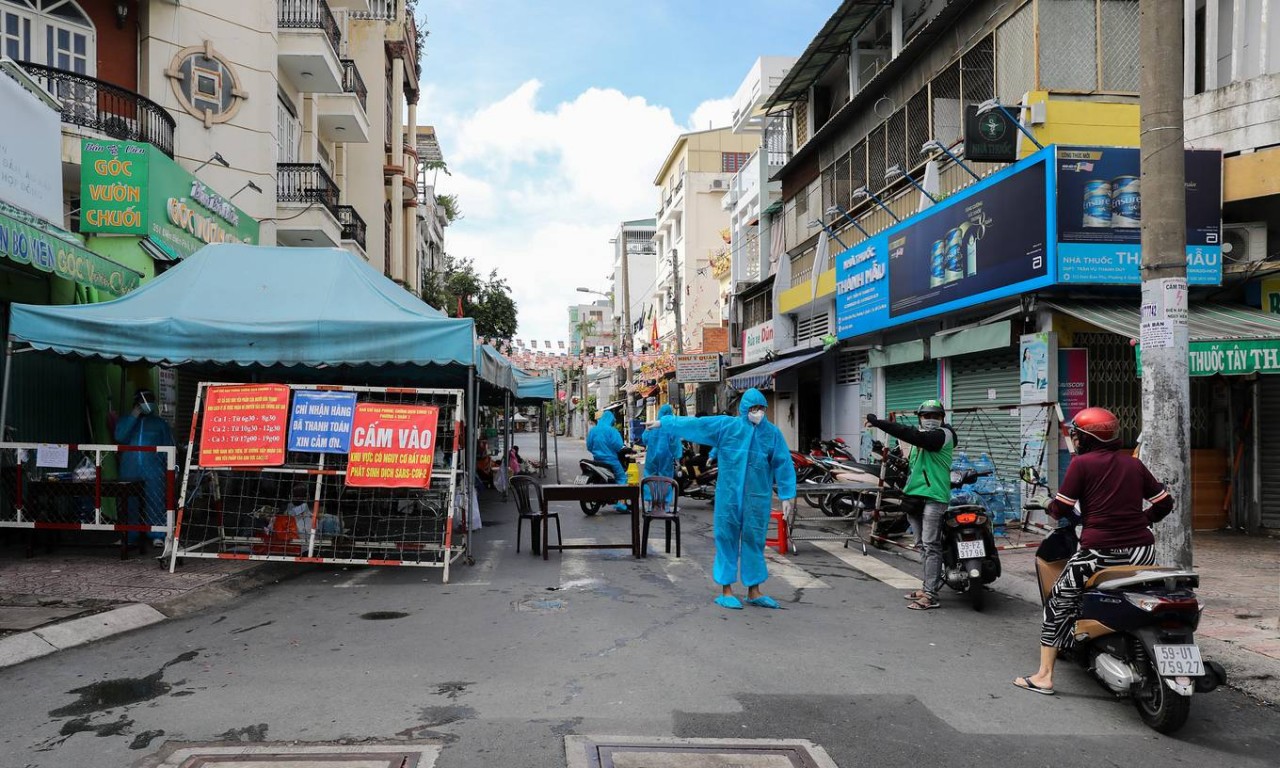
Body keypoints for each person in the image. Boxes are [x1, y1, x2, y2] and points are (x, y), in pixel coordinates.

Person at [1014, 407, 1172, 695]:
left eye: (1076, 434)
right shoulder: (1133, 465)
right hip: (1141, 552)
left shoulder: (1082, 464)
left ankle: (1044, 676)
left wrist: (1045, 502)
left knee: (1057, 601)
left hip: (1100, 553)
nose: (1074, 439)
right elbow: (1164, 503)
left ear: (1086, 437)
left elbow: (1060, 508)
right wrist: (1142, 520)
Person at [651, 388, 796, 610]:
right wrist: (667, 423)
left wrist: (787, 495)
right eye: (753, 409)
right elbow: (697, 425)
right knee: (726, 538)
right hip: (729, 496)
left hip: (756, 499)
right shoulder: (727, 427)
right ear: (744, 409)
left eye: (761, 408)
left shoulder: (772, 434)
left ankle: (754, 590)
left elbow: (783, 463)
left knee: (755, 541)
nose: (757, 412)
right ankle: (727, 590)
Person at [864, 399, 958, 610]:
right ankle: (927, 587)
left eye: (935, 416)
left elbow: (912, 435)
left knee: (931, 545)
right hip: (915, 496)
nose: (931, 420)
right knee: (921, 545)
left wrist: (879, 423)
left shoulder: (943, 435)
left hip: (935, 496)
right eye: (926, 416)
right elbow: (915, 465)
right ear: (920, 418)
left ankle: (931, 595)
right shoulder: (920, 441)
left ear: (942, 418)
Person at [114, 388, 174, 548]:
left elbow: (169, 445)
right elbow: (120, 437)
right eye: (145, 401)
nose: (149, 404)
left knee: (155, 501)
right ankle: (129, 534)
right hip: (130, 468)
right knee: (129, 503)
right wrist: (133, 415)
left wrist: (170, 469)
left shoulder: (160, 424)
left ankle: (157, 535)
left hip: (154, 469)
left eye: (150, 400)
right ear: (137, 403)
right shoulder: (126, 421)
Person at [639, 404, 681, 511]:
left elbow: (644, 439)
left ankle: (649, 504)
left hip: (652, 456)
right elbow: (675, 444)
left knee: (649, 478)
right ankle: (665, 505)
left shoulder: (653, 425)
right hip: (666, 457)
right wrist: (677, 457)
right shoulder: (671, 426)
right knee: (666, 479)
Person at [587, 409, 630, 512]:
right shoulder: (612, 431)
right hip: (611, 461)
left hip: (596, 461)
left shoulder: (593, 430)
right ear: (611, 420)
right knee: (622, 478)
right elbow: (618, 446)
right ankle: (621, 504)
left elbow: (589, 446)